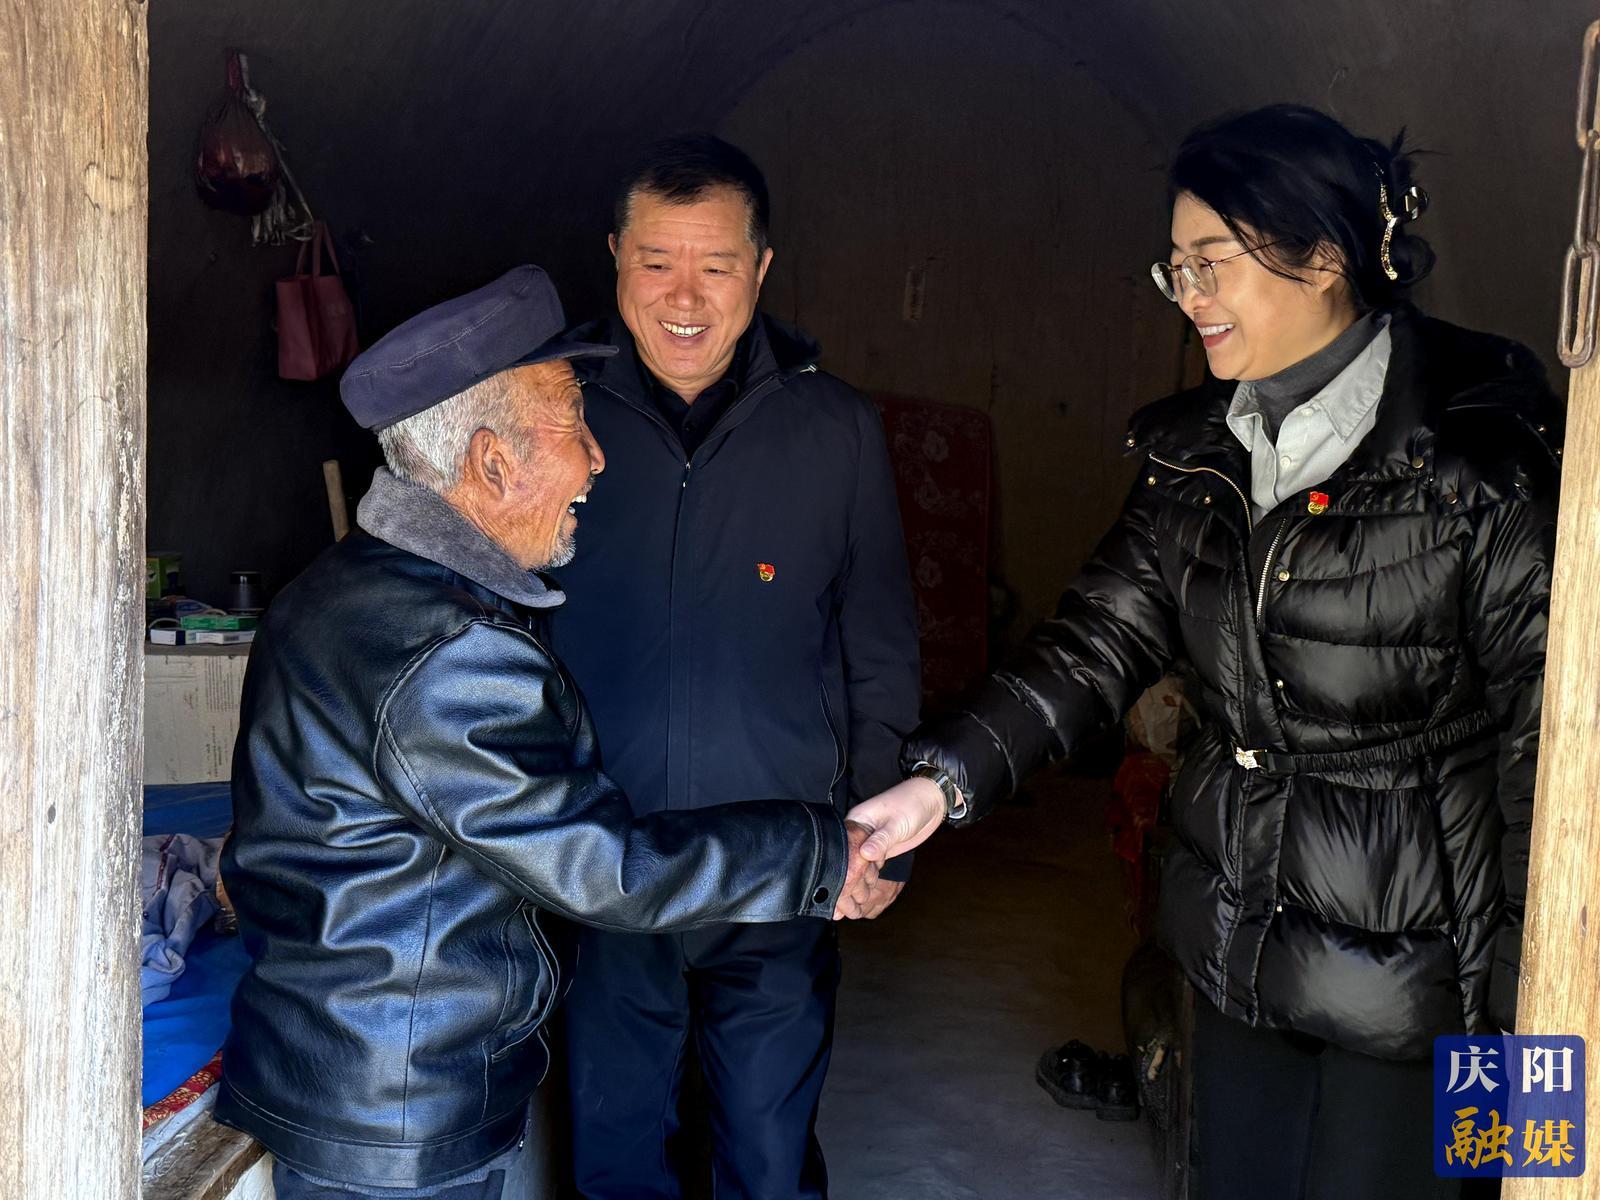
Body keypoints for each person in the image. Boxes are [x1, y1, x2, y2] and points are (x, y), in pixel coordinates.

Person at [885, 104, 1562, 1198]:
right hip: (1235, 940)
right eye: (1176, 267)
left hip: (1425, 983)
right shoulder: (1195, 454)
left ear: (1324, 258)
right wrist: (939, 783)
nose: (1188, 294)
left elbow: (1553, 763)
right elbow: (1096, 641)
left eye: (1212, 261)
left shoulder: (1476, 462)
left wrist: (1536, 1044)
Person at [211, 266, 886, 1200]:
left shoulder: (333, 588)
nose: (599, 460)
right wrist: (818, 850)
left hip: (339, 1078)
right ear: (493, 463)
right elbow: (603, 868)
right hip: (399, 1119)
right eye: (574, 423)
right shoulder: (451, 651)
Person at [547, 134, 922, 1198]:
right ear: (614, 257)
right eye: (655, 261)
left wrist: (879, 838)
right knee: (617, 1151)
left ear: (759, 269)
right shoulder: (554, 414)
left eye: (714, 266)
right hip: (601, 857)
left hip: (781, 859)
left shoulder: (834, 430)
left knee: (765, 1152)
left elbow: (879, 643)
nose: (684, 297)